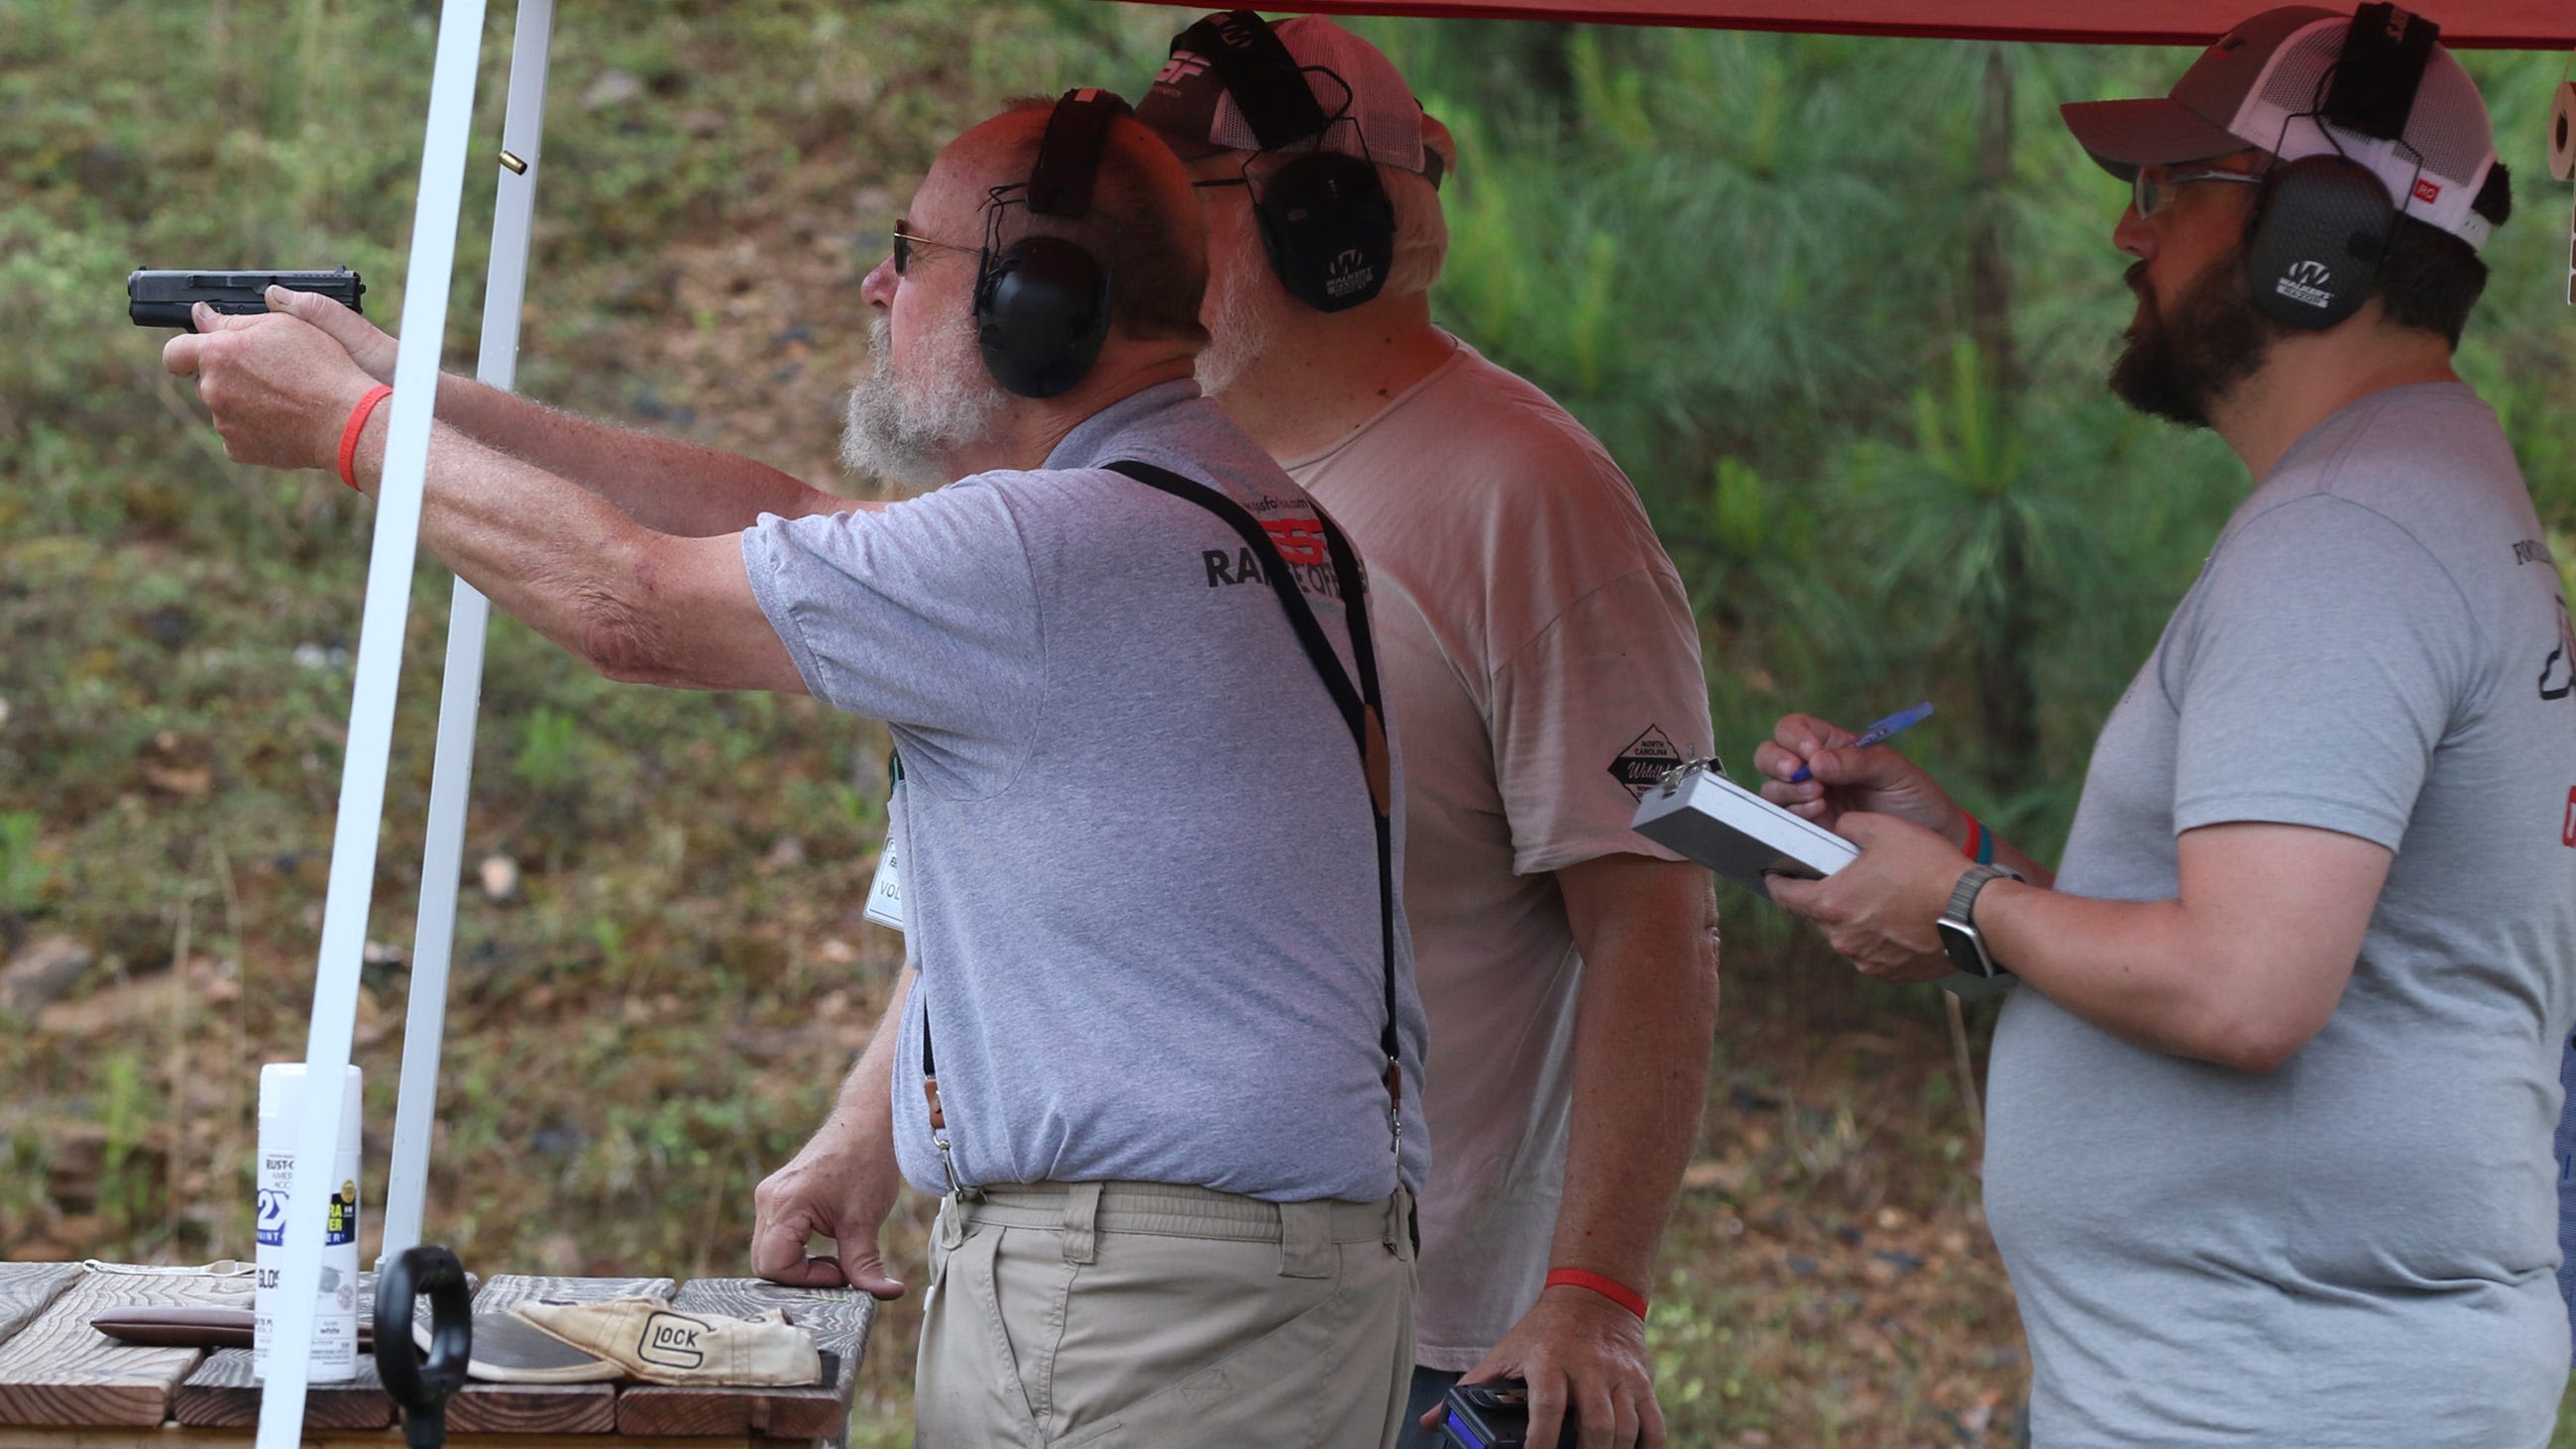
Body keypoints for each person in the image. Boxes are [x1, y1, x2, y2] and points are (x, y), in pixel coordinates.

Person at [165, 91, 1431, 1448]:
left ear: (1037, 297)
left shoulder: (1047, 550)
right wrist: (400, 380)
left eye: (914, 250)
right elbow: (792, 518)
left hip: (1149, 1308)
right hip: (1229, 1287)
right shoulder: (1221, 499)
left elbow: (633, 599)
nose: (876, 284)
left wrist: (354, 434)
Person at [1754, 6, 2570, 1444]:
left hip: (2278, 1395)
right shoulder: (2411, 494)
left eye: (2168, 190)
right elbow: (2270, 941)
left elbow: (2249, 988)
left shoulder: (2350, 534)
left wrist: (1963, 898)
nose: (2131, 240)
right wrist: (1966, 852)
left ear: (2315, 231)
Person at [1135, 15, 1723, 1449]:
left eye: (1173, 199)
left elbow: (1655, 907)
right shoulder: (1140, 472)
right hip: (1145, 1321)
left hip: (1404, 1341)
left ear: (1311, 220)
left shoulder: (1529, 497)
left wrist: (1593, 1291)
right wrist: (857, 1143)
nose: (1128, 241)